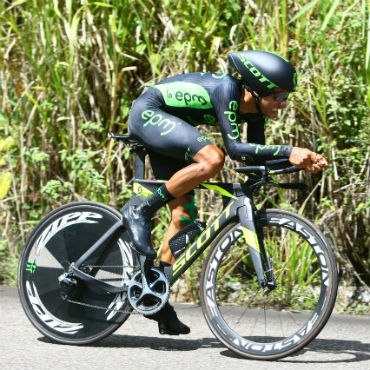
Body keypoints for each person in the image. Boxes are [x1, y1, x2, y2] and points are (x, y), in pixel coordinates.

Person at [121, 50, 328, 335]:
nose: (282, 105)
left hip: (171, 128)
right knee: (212, 158)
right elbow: (233, 150)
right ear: (256, 91)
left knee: (183, 218)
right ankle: (140, 209)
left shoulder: (256, 113)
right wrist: (289, 150)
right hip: (149, 113)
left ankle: (154, 295)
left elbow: (253, 158)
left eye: (286, 98)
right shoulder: (227, 90)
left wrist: (300, 162)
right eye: (279, 97)